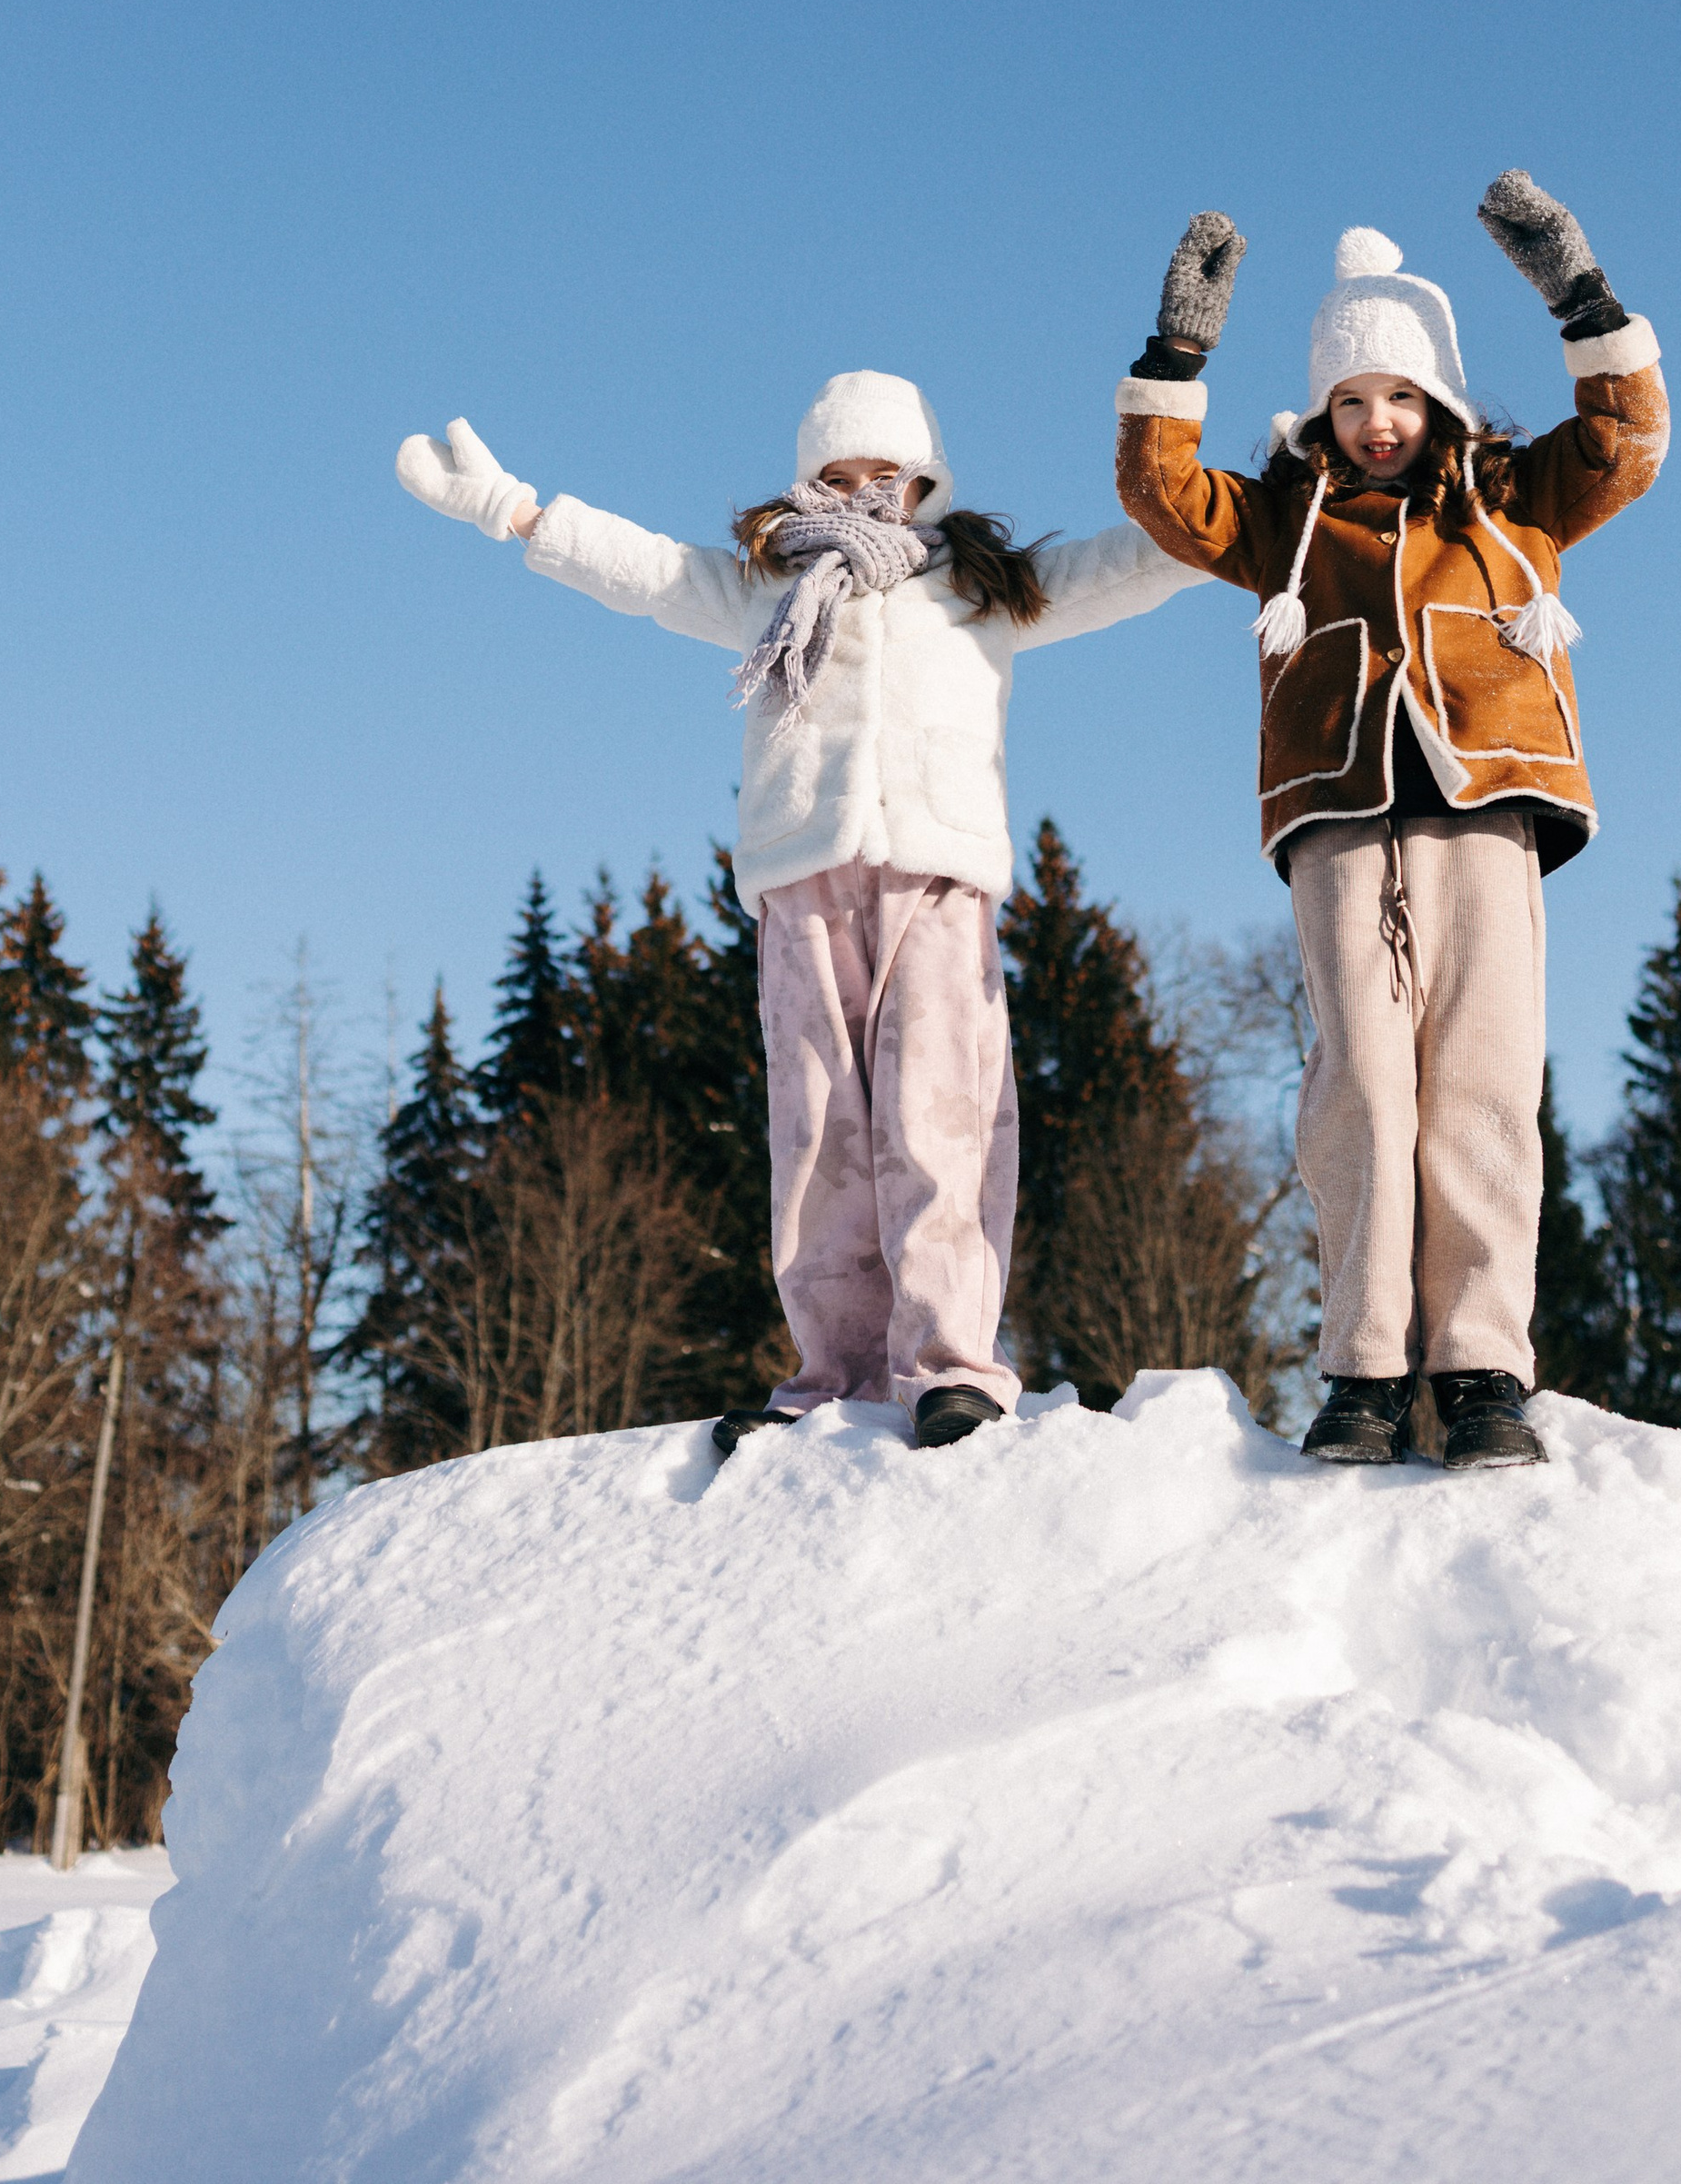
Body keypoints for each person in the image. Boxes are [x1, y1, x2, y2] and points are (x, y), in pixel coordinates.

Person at [398, 370, 1199, 1454]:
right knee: (818, 1131)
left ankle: (948, 1366)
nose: (866, 491)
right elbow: (644, 572)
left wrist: (1265, 499)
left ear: (925, 479)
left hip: (936, 874)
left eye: (888, 474)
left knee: (938, 1118)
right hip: (801, 878)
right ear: (806, 480)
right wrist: (516, 510)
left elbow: (1135, 563)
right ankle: (836, 1371)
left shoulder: (984, 587)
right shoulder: (766, 588)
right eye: (840, 473)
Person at [1113, 175, 1667, 1471]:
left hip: (1487, 806)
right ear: (1321, 411)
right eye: (1351, 401)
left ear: (1442, 402)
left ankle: (1481, 1368)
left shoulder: (1521, 498)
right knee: (1360, 1084)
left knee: (1476, 1083)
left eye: (1400, 397)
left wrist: (1579, 293)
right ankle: (1365, 1369)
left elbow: (1629, 435)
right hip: (1335, 813)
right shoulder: (1285, 522)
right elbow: (1161, 491)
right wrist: (1177, 353)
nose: (1376, 423)